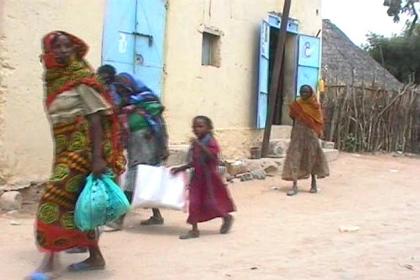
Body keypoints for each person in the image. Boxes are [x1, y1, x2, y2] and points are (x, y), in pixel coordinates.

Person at [31, 31, 125, 276]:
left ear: (75, 50)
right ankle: (95, 257)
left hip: (81, 150)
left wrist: (97, 158)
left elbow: (96, 118)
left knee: (52, 201)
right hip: (63, 150)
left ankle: (49, 262)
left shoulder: (81, 79)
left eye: (67, 46)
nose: (62, 51)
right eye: (57, 47)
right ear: (48, 52)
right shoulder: (54, 79)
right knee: (78, 203)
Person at [106, 72, 169, 230]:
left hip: (148, 145)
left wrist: (164, 146)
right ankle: (157, 215)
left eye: (124, 90)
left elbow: (160, 124)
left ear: (131, 87)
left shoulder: (147, 100)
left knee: (133, 181)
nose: (122, 93)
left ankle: (118, 220)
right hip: (136, 145)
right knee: (148, 179)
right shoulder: (124, 104)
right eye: (119, 90)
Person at [172, 116, 235, 239]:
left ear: (209, 128)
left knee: (212, 202)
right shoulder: (197, 142)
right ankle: (194, 230)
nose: (197, 129)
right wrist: (181, 168)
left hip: (210, 179)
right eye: (194, 127)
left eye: (200, 126)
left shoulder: (210, 141)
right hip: (197, 178)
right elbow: (195, 161)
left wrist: (199, 145)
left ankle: (226, 217)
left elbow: (212, 157)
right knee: (194, 202)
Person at [282, 85, 330, 196]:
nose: (303, 94)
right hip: (298, 134)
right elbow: (293, 117)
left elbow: (319, 122)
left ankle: (313, 183)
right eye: (302, 92)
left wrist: (317, 132)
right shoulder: (296, 105)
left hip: (311, 135)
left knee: (312, 157)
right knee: (295, 157)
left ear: (310, 93)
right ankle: (294, 185)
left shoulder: (315, 106)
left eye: (306, 92)